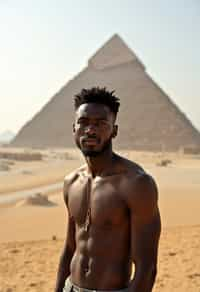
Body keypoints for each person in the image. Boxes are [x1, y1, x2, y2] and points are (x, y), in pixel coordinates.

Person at [55, 87, 161, 292]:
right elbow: (70, 248)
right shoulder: (71, 182)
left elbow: (147, 268)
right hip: (71, 287)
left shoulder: (136, 183)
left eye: (100, 123)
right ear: (74, 128)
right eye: (83, 122)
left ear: (114, 130)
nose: (90, 130)